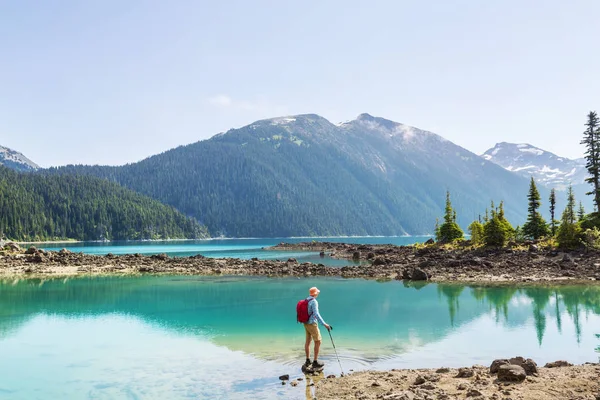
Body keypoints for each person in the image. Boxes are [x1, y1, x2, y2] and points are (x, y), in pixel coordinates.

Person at [303, 286, 331, 369]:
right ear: (315, 293)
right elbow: (316, 314)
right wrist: (324, 324)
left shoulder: (306, 300)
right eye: (317, 292)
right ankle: (315, 361)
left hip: (305, 323)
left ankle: (308, 360)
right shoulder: (314, 301)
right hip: (312, 323)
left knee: (308, 341)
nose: (318, 293)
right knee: (318, 341)